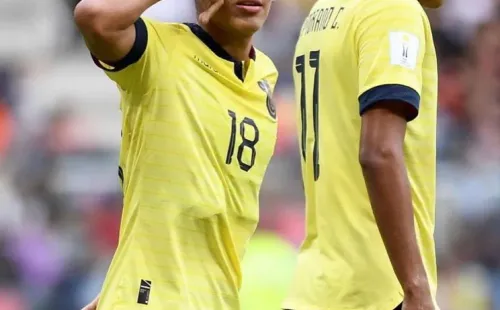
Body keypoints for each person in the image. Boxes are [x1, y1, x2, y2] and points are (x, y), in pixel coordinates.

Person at [73, 0, 279, 308]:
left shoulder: (263, 74)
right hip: (153, 297)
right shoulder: (158, 52)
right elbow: (94, 17)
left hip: (217, 298)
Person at [283, 0, 442, 309]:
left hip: (315, 288)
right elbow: (379, 152)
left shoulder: (322, 14)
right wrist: (416, 287)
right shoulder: (393, 9)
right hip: (378, 289)